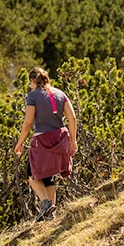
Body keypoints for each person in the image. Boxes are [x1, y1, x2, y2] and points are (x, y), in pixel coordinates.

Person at [14, 66, 78, 222]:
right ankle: (52, 215)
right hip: (61, 138)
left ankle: (46, 204)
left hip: (42, 139)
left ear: (33, 81)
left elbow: (28, 122)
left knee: (32, 173)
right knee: (48, 176)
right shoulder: (60, 93)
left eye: (31, 83)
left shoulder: (33, 96)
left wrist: (20, 142)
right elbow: (73, 118)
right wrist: (73, 141)